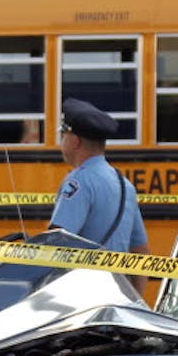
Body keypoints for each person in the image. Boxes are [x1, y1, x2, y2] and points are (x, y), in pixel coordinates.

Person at [49, 98, 149, 293]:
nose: (61, 141)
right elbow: (141, 250)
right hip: (116, 297)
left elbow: (57, 241)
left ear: (75, 141)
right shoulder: (125, 185)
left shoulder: (78, 181)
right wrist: (135, 301)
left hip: (83, 297)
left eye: (63, 135)